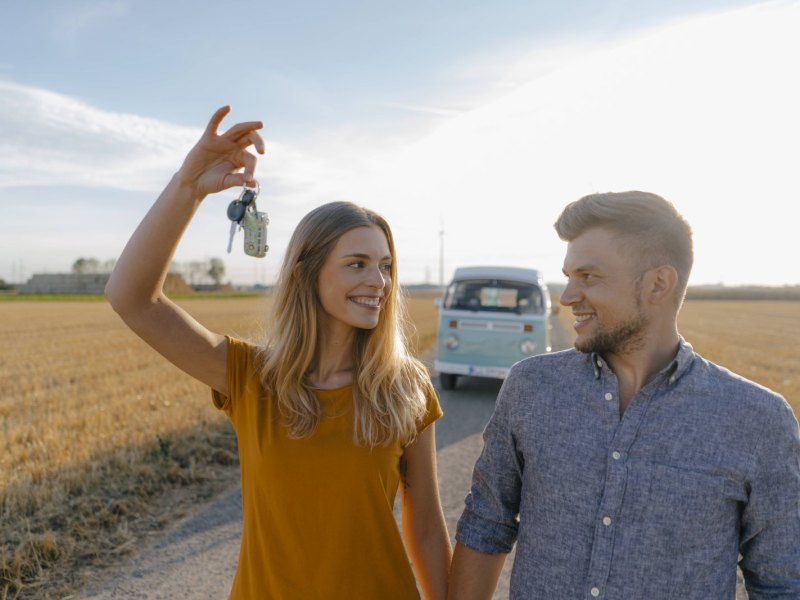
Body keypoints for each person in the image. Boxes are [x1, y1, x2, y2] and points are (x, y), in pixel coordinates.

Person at [106, 106, 451, 599]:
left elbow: (427, 530)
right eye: (357, 264)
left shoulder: (404, 386)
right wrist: (188, 186)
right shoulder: (250, 377)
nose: (379, 282)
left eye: (385, 266)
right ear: (304, 273)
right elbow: (132, 298)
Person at [447, 191, 800, 599]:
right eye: (568, 276)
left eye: (589, 277)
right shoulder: (530, 387)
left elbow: (782, 583)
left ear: (658, 284)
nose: (567, 297)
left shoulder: (757, 419)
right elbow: (486, 524)